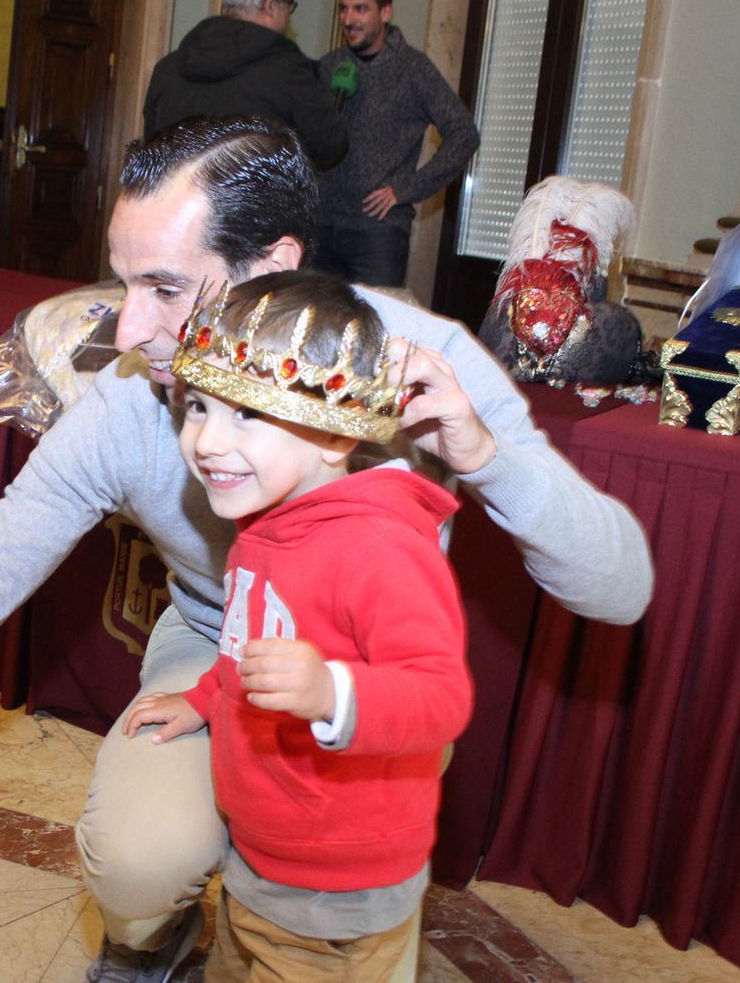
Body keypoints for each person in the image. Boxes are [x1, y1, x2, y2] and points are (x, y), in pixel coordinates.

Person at [0, 117, 652, 982]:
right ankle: (164, 943)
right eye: (119, 282)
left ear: (272, 266)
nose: (128, 327)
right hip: (216, 646)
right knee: (138, 864)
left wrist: (482, 453)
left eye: (165, 287)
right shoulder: (125, 400)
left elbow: (618, 586)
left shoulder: (408, 368)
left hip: (367, 668)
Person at [124, 271, 473, 981]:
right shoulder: (263, 519)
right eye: (198, 407)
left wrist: (332, 692)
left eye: (247, 413)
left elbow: (441, 698)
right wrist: (201, 700)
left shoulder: (381, 547)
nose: (207, 442)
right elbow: (247, 648)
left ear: (337, 435)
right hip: (261, 858)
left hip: (337, 891)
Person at [316, 0, 479, 288]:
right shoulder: (330, 66)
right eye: (344, 9)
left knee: (375, 330)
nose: (349, 19)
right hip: (323, 226)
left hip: (378, 235)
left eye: (361, 8)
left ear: (385, 11)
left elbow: (464, 134)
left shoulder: (413, 69)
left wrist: (406, 188)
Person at [143, 0, 346, 169]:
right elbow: (329, 146)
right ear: (270, 5)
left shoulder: (166, 69)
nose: (289, 16)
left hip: (179, 200)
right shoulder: (288, 71)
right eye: (289, 5)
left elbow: (151, 151)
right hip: (253, 201)